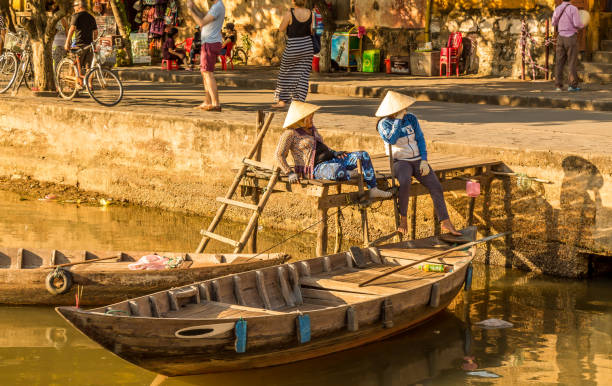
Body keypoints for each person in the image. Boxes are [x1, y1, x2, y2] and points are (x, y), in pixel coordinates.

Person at [375, 91, 461, 236]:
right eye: (400, 108)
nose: (404, 109)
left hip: (417, 160)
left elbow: (420, 139)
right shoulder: (383, 124)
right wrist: (397, 120)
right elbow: (391, 139)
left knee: (436, 186)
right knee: (405, 182)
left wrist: (424, 160)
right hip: (400, 161)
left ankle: (445, 221)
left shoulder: (411, 118)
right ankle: (403, 219)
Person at [275, 101, 392, 199]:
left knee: (363, 155)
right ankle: (351, 173)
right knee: (338, 171)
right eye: (308, 118)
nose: (311, 119)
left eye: (312, 117)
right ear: (300, 119)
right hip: (316, 168)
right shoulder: (289, 134)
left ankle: (373, 189)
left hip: (332, 159)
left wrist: (335, 153)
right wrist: (289, 173)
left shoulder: (312, 129)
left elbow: (321, 146)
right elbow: (279, 155)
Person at [271, 0, 315, 109]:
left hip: (293, 47)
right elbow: (312, 31)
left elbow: (281, 28)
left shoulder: (289, 13)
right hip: (307, 47)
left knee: (285, 74)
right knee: (302, 75)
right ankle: (299, 101)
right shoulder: (311, 14)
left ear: (293, 1)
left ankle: (282, 101)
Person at [187, 0, 225, 112]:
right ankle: (208, 101)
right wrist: (194, 8)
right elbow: (204, 17)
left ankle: (216, 103)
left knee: (208, 73)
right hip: (209, 43)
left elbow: (201, 22)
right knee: (204, 73)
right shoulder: (216, 6)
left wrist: (190, 10)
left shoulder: (217, 6)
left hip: (210, 43)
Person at [552, 0, 584, 92]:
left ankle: (558, 86)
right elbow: (577, 24)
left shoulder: (557, 8)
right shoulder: (573, 9)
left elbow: (553, 23)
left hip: (560, 37)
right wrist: (582, 25)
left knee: (559, 62)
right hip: (571, 38)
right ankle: (572, 86)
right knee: (572, 62)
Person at [64, 0, 98, 75]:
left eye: (74, 6)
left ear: (79, 6)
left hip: (78, 46)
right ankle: (89, 85)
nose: (74, 8)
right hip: (89, 46)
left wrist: (67, 42)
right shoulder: (91, 17)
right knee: (88, 68)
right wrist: (94, 43)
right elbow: (95, 32)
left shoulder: (76, 16)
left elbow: (72, 29)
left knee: (74, 66)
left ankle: (76, 85)